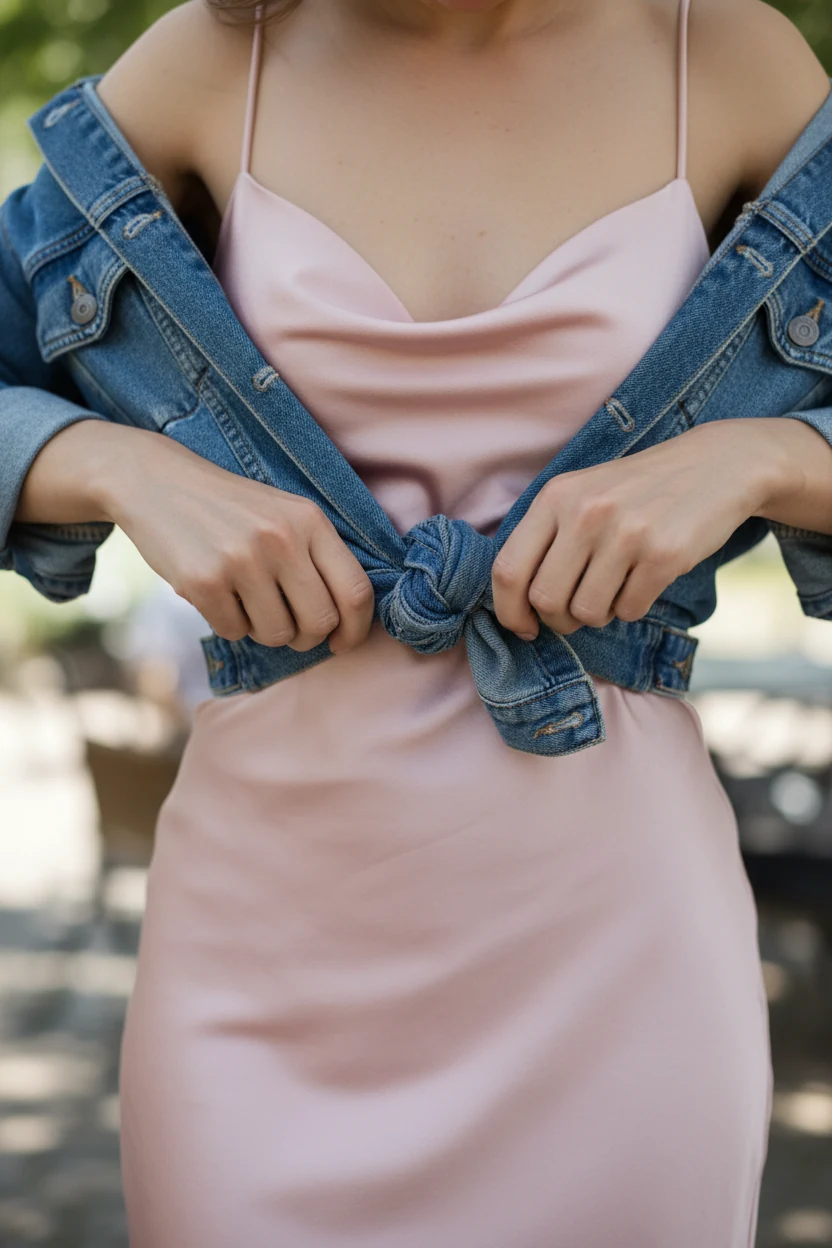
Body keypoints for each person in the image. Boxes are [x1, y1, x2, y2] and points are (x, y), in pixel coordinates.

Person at [8, 0, 832, 1243]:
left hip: (615, 939)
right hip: (262, 946)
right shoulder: (216, 57)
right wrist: (110, 462)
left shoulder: (718, 54)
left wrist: (767, 456)